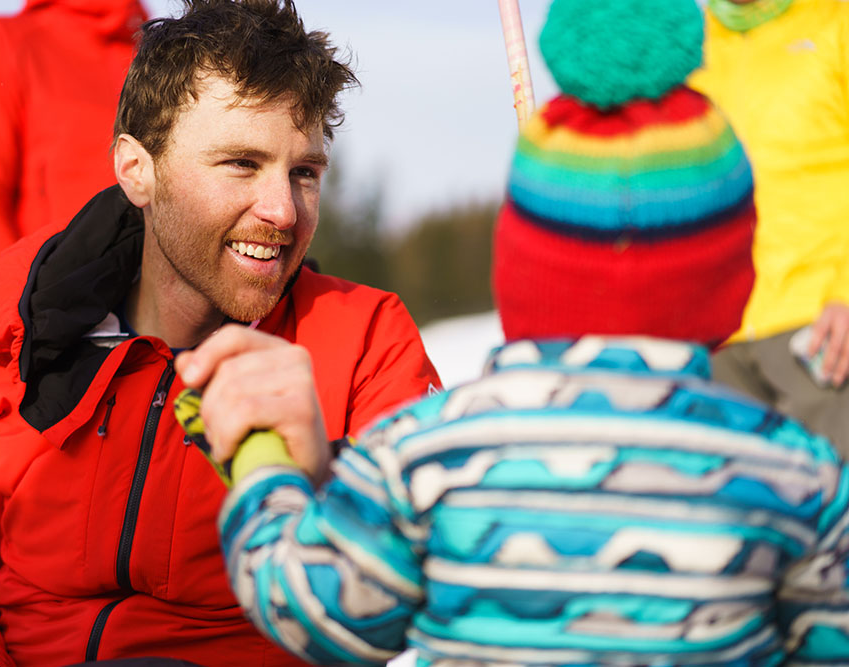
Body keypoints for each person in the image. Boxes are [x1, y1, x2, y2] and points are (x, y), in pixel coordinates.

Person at [186, 1, 849, 664]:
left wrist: (262, 464)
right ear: (733, 284)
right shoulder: (797, 473)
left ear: (523, 271)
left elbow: (309, 605)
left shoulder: (425, 454)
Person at [0, 2, 441, 665]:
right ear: (136, 170)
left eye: (305, 172)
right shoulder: (23, 347)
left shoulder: (364, 341)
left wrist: (321, 476)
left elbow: (420, 595)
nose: (283, 211)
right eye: (241, 162)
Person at [688, 0, 849, 453]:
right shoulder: (691, 48)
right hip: (720, 337)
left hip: (820, 326)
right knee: (740, 515)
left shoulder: (835, 22)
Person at [0, 0, 147, 284]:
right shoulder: (4, 42)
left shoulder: (162, 62)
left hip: (170, 318)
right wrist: (26, 310)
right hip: (54, 311)